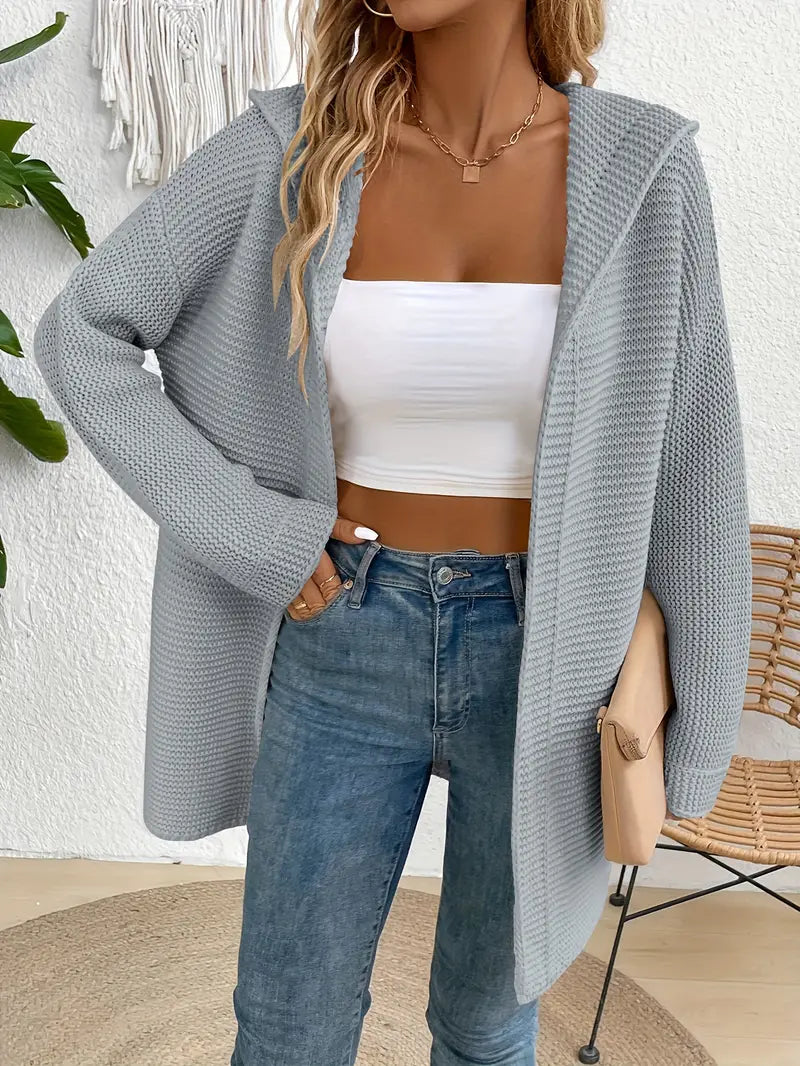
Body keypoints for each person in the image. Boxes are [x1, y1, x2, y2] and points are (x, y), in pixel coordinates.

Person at [33, 1, 753, 1063]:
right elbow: (81, 333)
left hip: (552, 657)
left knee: (485, 1025)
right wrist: (257, 536)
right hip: (341, 631)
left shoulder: (644, 172)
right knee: (288, 1028)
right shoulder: (290, 150)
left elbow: (696, 464)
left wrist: (697, 733)